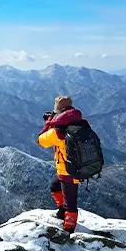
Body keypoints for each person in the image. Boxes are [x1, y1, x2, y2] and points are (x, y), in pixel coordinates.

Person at [37, 95, 88, 233]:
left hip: (68, 172)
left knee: (71, 202)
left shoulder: (58, 131)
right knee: (55, 187)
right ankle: (62, 211)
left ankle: (69, 230)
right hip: (78, 166)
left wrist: (48, 122)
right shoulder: (81, 123)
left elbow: (41, 140)